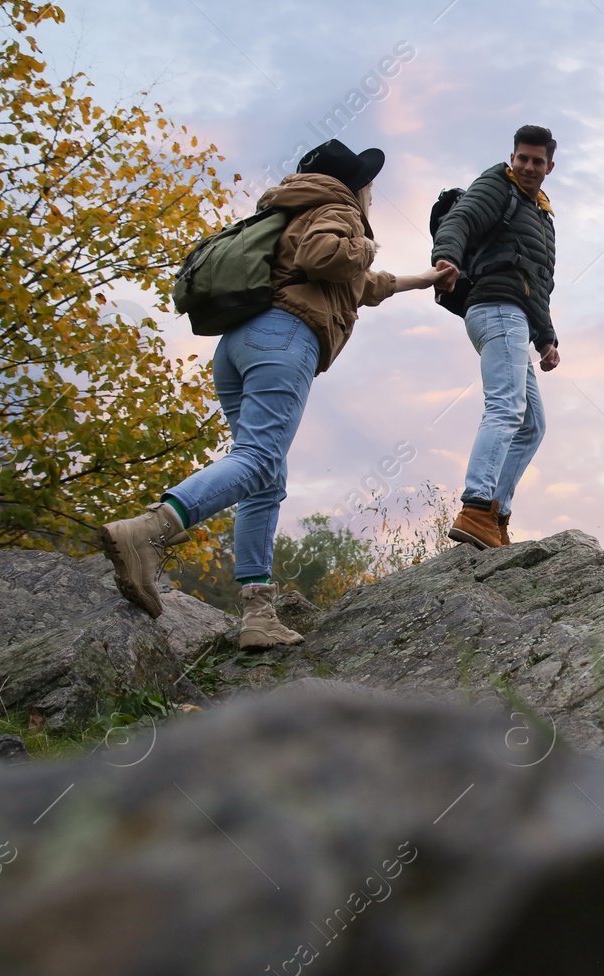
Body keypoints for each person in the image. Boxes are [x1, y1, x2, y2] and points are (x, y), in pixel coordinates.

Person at [99, 139, 455, 649]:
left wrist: (420, 279)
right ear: (354, 186)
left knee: (265, 478)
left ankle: (258, 615)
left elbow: (355, 284)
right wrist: (366, 243)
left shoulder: (295, 210)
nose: (372, 194)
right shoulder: (338, 210)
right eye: (369, 185)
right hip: (285, 338)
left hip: (240, 344)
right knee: (258, 459)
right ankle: (149, 532)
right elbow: (325, 257)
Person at [431, 124, 560, 550]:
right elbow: (462, 219)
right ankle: (476, 507)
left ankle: (497, 516)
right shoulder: (496, 185)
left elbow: (538, 284)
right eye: (522, 157)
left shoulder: (541, 216)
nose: (527, 165)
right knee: (506, 407)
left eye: (536, 161)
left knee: (532, 424)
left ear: (549, 167)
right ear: (514, 156)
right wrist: (446, 256)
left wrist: (547, 338)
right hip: (496, 309)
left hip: (517, 319)